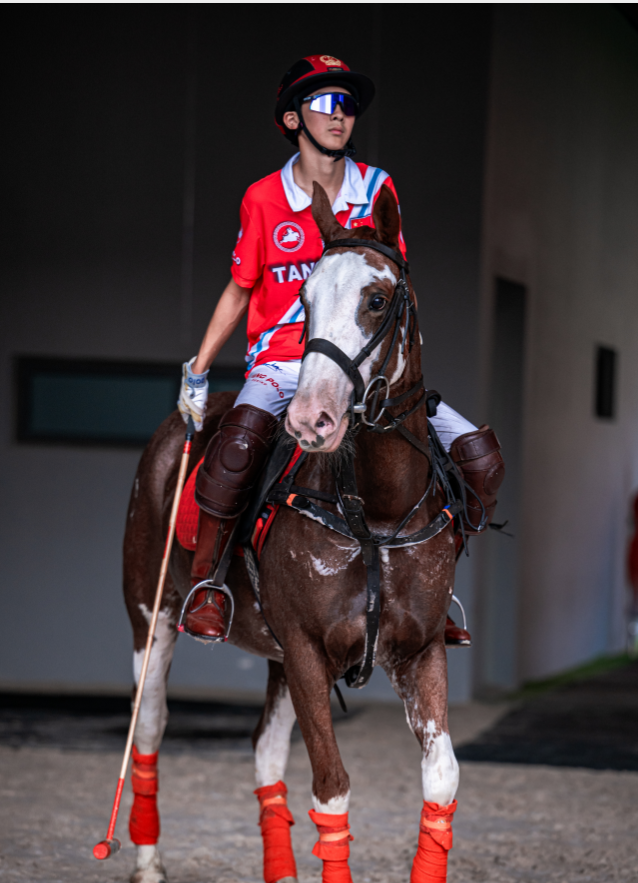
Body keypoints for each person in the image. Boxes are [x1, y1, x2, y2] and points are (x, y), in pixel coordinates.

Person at [177, 54, 504, 645]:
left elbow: (396, 278)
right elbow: (240, 287)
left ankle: (436, 592)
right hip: (283, 362)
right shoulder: (263, 198)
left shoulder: (376, 188)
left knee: (481, 460)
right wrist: (198, 372)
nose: (340, 116)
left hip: (366, 370)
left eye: (348, 105)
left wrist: (402, 361)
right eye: (325, 104)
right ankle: (208, 587)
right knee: (233, 453)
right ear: (292, 119)